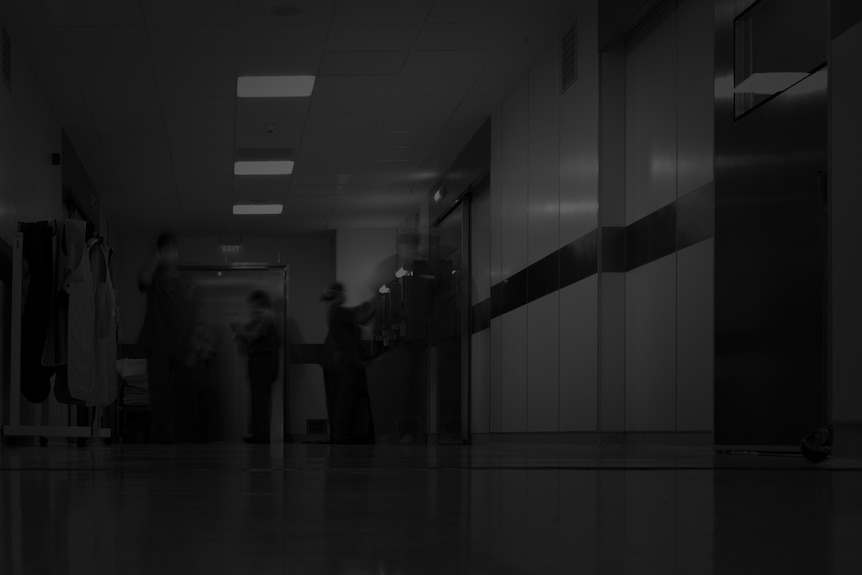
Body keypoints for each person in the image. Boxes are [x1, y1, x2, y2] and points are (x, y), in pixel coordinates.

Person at [137, 231, 193, 444]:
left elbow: (186, 314)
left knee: (176, 394)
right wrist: (156, 259)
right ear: (160, 252)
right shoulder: (154, 277)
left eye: (174, 249)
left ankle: (172, 433)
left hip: (179, 345)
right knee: (159, 394)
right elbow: (143, 280)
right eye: (167, 250)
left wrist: (190, 343)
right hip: (158, 343)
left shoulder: (182, 282)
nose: (172, 254)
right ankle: (161, 436)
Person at [320, 282, 376, 445]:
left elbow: (357, 316)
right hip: (346, 361)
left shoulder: (336, 311)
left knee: (346, 398)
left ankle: (342, 435)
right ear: (338, 294)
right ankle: (341, 436)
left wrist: (366, 306)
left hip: (346, 360)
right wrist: (375, 302)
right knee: (345, 399)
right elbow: (362, 319)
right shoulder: (339, 311)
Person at [232, 290, 280, 444]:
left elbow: (253, 336)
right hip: (259, 360)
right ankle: (258, 432)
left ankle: (261, 434)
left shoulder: (266, 316)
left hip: (263, 361)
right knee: (258, 398)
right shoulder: (260, 318)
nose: (252, 307)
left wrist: (239, 331)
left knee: (260, 399)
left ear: (260, 302)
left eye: (253, 303)